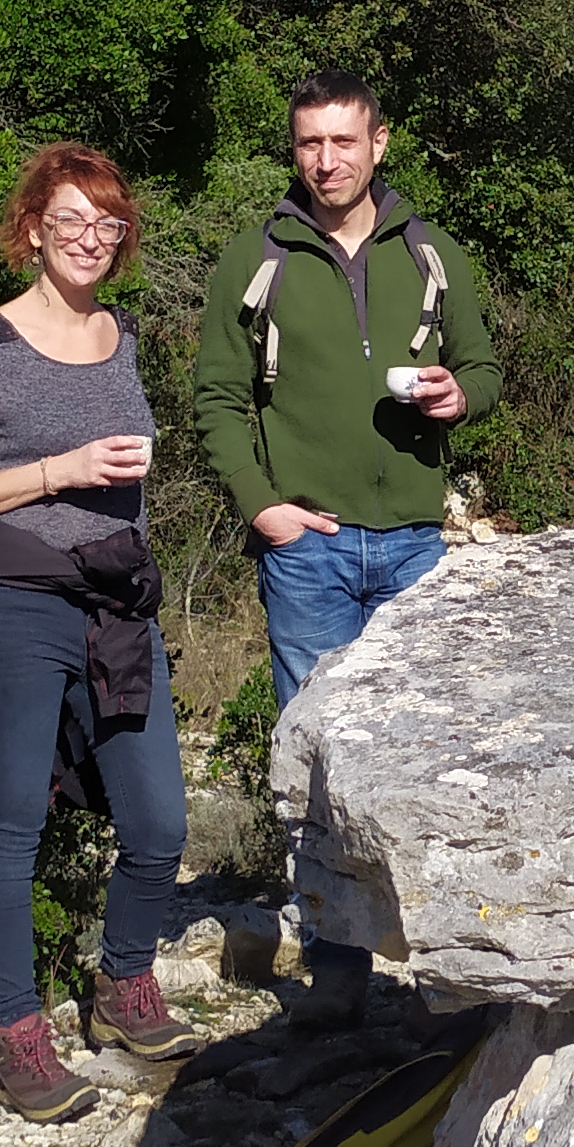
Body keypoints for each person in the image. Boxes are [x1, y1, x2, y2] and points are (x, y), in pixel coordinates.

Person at [0, 145, 196, 1127]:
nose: (90, 240)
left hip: (117, 607)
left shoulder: (121, 340)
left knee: (158, 824)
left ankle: (124, 984)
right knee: (10, 828)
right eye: (71, 221)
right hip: (13, 602)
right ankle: (18, 1038)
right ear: (31, 226)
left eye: (109, 226)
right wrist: (59, 468)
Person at [189, 71, 502, 711]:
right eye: (310, 144)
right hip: (307, 549)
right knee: (313, 745)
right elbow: (216, 401)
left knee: (416, 738)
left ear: (378, 143)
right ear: (294, 148)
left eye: (343, 141)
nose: (327, 162)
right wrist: (262, 509)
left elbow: (483, 370)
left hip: (417, 544)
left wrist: (459, 396)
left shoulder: (432, 252)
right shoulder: (255, 260)